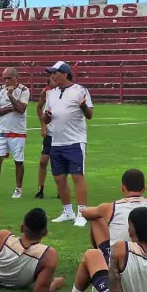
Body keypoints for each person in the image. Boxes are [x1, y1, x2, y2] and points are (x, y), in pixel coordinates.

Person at [42, 61, 93, 226]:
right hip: (56, 142)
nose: (52, 76)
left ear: (65, 74)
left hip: (74, 141)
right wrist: (47, 117)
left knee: (77, 177)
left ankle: (82, 213)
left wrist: (84, 107)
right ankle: (67, 211)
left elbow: (90, 115)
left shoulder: (80, 91)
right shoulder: (52, 94)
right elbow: (45, 117)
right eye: (51, 74)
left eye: (54, 73)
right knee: (59, 178)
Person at [81, 169, 147, 262]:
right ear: (144, 188)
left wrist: (102, 211)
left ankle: (102, 256)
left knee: (96, 217)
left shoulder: (110, 207)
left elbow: (85, 213)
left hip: (120, 259)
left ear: (122, 188)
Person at [0, 67, 30, 199]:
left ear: (16, 77)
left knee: (18, 161)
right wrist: (10, 107)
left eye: (9, 78)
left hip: (18, 131)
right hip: (2, 130)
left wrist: (10, 96)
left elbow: (21, 109)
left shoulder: (24, 90)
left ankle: (18, 189)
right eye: (4, 78)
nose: (6, 81)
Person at [35, 76, 58, 199]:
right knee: (43, 161)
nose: (52, 83)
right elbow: (39, 107)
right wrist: (43, 125)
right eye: (50, 81)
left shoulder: (66, 93)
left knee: (58, 162)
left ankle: (61, 189)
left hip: (61, 134)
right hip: (49, 133)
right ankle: (40, 189)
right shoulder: (46, 92)